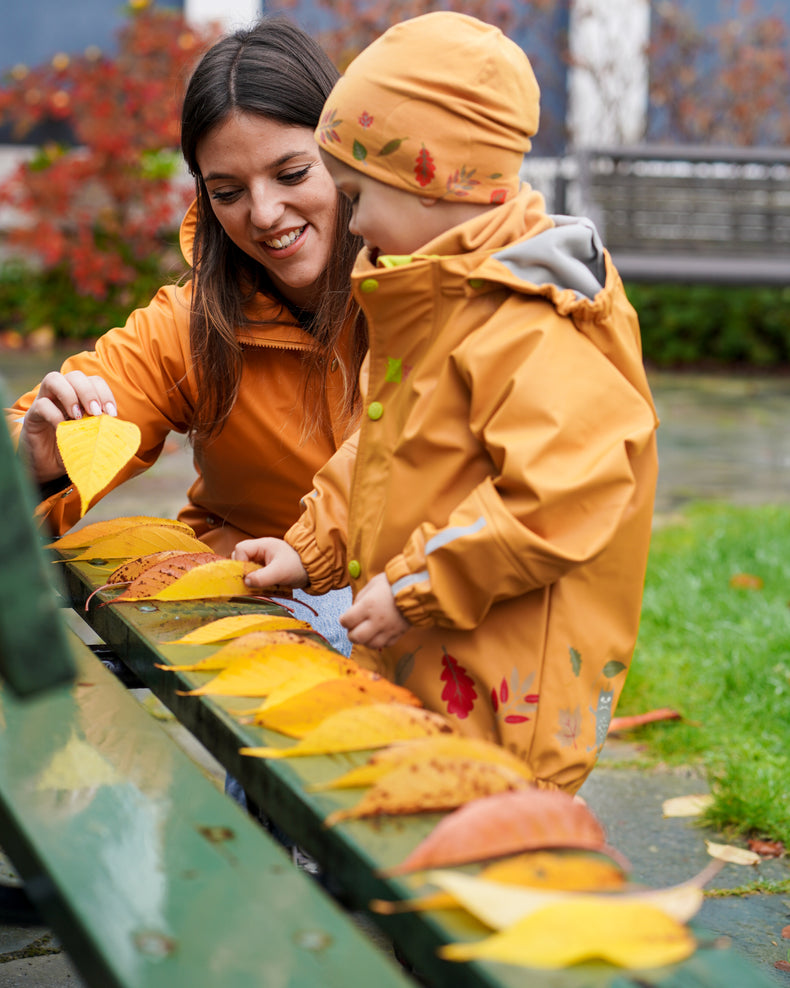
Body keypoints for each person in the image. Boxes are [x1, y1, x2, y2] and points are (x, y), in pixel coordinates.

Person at [232, 11, 660, 794]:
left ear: (433, 187)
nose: (351, 220)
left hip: (504, 696)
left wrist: (414, 586)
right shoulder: (437, 297)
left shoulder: (535, 318)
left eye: (360, 195)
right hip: (427, 654)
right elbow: (382, 449)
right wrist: (312, 546)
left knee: (470, 855)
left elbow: (559, 496)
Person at [6, 16, 367, 653]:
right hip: (267, 609)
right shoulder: (194, 324)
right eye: (227, 191)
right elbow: (80, 404)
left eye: (291, 175)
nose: (262, 214)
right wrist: (33, 465)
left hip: (432, 600)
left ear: (344, 155)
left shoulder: (429, 287)